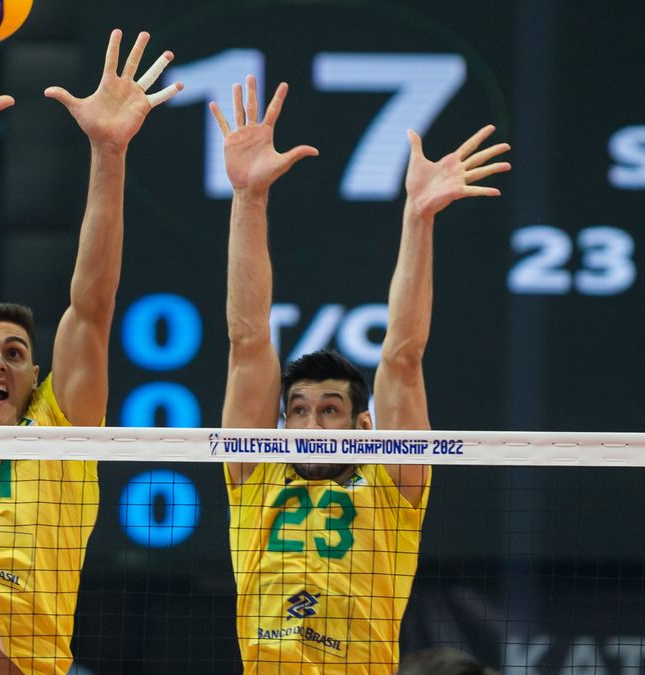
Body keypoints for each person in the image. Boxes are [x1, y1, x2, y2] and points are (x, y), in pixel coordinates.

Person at [0, 32, 181, 675]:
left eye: (16, 353)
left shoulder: (61, 429)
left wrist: (109, 150)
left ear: (37, 376)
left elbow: (93, 304)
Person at [215, 75, 511, 673]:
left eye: (330, 410)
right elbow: (248, 341)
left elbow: (402, 356)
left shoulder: (393, 487)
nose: (311, 423)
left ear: (365, 425)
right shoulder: (253, 478)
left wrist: (419, 217)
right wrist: (248, 198)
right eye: (298, 410)